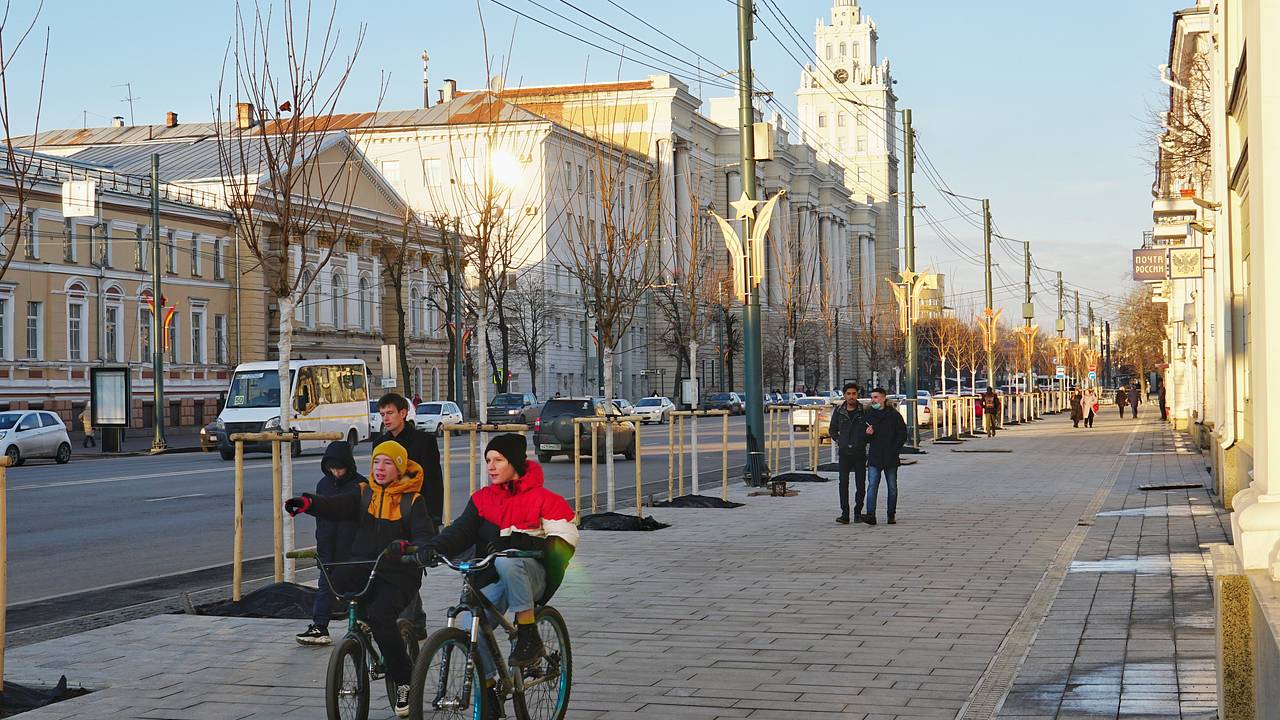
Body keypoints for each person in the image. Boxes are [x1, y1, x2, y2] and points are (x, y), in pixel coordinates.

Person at [417, 433, 578, 704]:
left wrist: (519, 541)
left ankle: (528, 633)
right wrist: (434, 546)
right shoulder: (483, 499)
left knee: (507, 558)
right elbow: (460, 531)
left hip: (534, 576)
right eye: (488, 460)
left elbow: (565, 543)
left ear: (514, 463)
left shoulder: (545, 499)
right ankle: (490, 687)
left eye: (498, 460)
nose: (491, 466)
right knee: (470, 625)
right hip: (497, 576)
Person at [285, 441, 435, 718]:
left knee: (380, 616)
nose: (380, 468)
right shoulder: (365, 493)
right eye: (377, 462)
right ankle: (362, 636)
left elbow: (424, 534)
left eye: (387, 463)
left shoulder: (412, 500)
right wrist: (307, 503)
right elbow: (335, 506)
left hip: (399, 572)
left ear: (399, 467)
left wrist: (421, 549)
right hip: (364, 565)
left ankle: (403, 679)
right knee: (338, 583)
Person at [373, 393, 443, 636]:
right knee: (399, 568)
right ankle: (416, 621)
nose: (386, 418)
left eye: (390, 413)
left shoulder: (423, 441)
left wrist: (434, 518)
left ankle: (409, 623)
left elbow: (434, 481)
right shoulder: (379, 443)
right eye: (382, 414)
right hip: (388, 515)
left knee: (407, 568)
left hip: (416, 513)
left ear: (403, 413)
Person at [295, 441, 363, 647]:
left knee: (355, 588)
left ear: (349, 466)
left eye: (340, 468)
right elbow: (320, 516)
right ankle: (320, 626)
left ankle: (361, 620)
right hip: (327, 546)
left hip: (351, 547)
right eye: (332, 468)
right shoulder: (322, 485)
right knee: (325, 587)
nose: (336, 473)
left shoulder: (361, 485)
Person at [861, 388, 907, 526]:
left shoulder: (894, 415)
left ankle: (891, 514)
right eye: (872, 397)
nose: (873, 400)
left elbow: (902, 434)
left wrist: (895, 449)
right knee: (872, 485)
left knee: (892, 486)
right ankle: (871, 515)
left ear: (883, 398)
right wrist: (868, 434)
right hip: (875, 455)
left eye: (876, 397)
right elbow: (864, 438)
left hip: (890, 456)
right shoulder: (868, 414)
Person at [827, 383, 866, 524]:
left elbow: (870, 429)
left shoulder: (863, 411)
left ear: (857, 395)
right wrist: (839, 440)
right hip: (844, 452)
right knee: (843, 483)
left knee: (860, 484)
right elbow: (832, 429)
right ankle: (845, 513)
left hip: (859, 452)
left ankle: (858, 513)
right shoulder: (839, 411)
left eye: (854, 393)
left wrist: (864, 440)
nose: (851, 396)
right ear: (844, 395)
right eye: (848, 394)